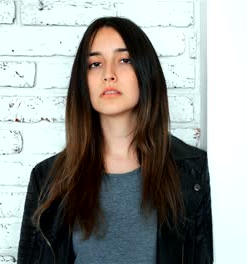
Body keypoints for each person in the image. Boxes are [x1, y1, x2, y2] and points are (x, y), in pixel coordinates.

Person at [17, 16, 213, 264]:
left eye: (124, 60)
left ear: (145, 71)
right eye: (95, 64)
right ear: (83, 81)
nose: (108, 74)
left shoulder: (193, 172)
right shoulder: (47, 179)